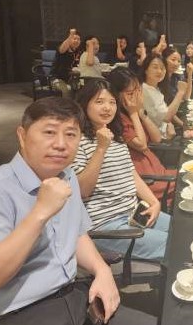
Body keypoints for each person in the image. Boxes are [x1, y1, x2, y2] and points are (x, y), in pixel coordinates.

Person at [0, 97, 155, 325]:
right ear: (22, 136)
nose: (60, 144)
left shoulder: (66, 176)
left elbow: (77, 234)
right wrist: (40, 212)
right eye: (49, 132)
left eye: (70, 134)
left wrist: (102, 271)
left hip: (71, 300)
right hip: (8, 318)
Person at [73, 80, 170, 260]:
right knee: (176, 245)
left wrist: (154, 203)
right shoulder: (77, 141)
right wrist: (101, 148)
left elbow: (131, 175)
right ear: (84, 104)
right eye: (99, 102)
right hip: (105, 225)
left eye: (112, 102)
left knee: (184, 231)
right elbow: (83, 190)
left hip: (134, 213)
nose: (107, 108)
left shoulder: (116, 137)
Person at [108, 67, 177, 209]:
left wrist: (141, 113)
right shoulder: (119, 119)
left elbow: (157, 138)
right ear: (116, 95)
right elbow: (142, 145)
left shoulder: (132, 112)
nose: (136, 96)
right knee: (189, 180)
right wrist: (134, 113)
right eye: (130, 93)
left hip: (158, 170)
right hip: (148, 180)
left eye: (138, 90)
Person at [140, 53, 187, 137]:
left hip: (166, 133)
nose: (159, 71)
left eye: (162, 68)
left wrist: (176, 124)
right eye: (155, 67)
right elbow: (166, 117)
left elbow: (165, 113)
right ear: (145, 70)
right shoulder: (144, 90)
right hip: (158, 139)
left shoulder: (156, 88)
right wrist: (180, 93)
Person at [51, 27, 81, 97]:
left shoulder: (78, 51)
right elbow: (62, 50)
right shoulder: (64, 49)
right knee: (67, 90)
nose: (76, 41)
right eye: (74, 39)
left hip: (72, 78)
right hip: (58, 78)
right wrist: (71, 35)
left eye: (78, 39)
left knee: (82, 89)